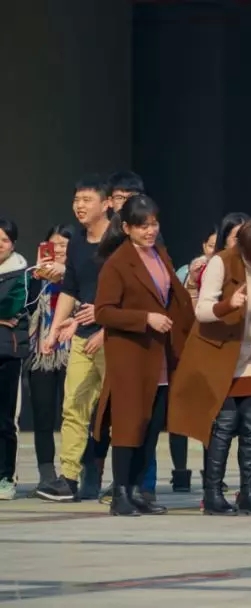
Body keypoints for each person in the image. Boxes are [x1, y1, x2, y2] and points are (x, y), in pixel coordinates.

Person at [170, 219, 251, 515]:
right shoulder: (222, 263)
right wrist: (229, 304)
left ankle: (247, 491)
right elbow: (203, 310)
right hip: (219, 355)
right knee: (224, 425)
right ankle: (212, 493)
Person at [92, 194, 194, 515]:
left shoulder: (159, 254)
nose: (150, 231)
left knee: (150, 427)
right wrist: (144, 318)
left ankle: (138, 490)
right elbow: (103, 312)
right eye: (142, 226)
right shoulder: (118, 263)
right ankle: (120, 493)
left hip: (160, 355)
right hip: (131, 356)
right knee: (127, 425)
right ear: (126, 228)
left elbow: (174, 300)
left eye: (153, 224)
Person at [36, 176, 112, 502]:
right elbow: (70, 287)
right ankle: (68, 478)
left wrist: (107, 326)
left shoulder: (121, 241)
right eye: (76, 199)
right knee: (73, 407)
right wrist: (54, 331)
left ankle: (124, 480)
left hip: (115, 337)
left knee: (117, 411)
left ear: (107, 203)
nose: (80, 206)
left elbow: (135, 293)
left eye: (87, 199)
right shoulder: (78, 242)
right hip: (80, 336)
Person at [26, 225, 74, 496]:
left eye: (65, 246)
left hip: (73, 351)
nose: (58, 251)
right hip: (41, 354)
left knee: (75, 414)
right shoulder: (34, 277)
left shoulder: (78, 276)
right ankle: (47, 476)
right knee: (43, 416)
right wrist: (36, 273)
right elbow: (27, 307)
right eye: (53, 245)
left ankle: (74, 474)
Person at [0, 218, 29, 500]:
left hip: (8, 353)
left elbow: (12, 304)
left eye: (4, 240)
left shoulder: (22, 272)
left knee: (5, 420)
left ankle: (6, 477)